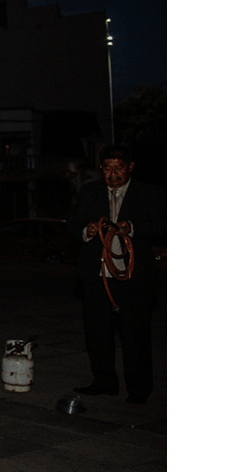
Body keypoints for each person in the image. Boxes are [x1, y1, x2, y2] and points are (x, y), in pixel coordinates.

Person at [67, 144, 166, 404]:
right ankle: (104, 381)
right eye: (108, 168)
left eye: (119, 168)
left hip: (133, 278)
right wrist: (87, 232)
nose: (113, 174)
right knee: (98, 334)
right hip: (97, 277)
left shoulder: (150, 193)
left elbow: (162, 227)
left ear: (130, 167)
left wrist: (131, 228)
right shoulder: (90, 192)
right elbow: (72, 224)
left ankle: (139, 389)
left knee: (135, 335)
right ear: (101, 169)